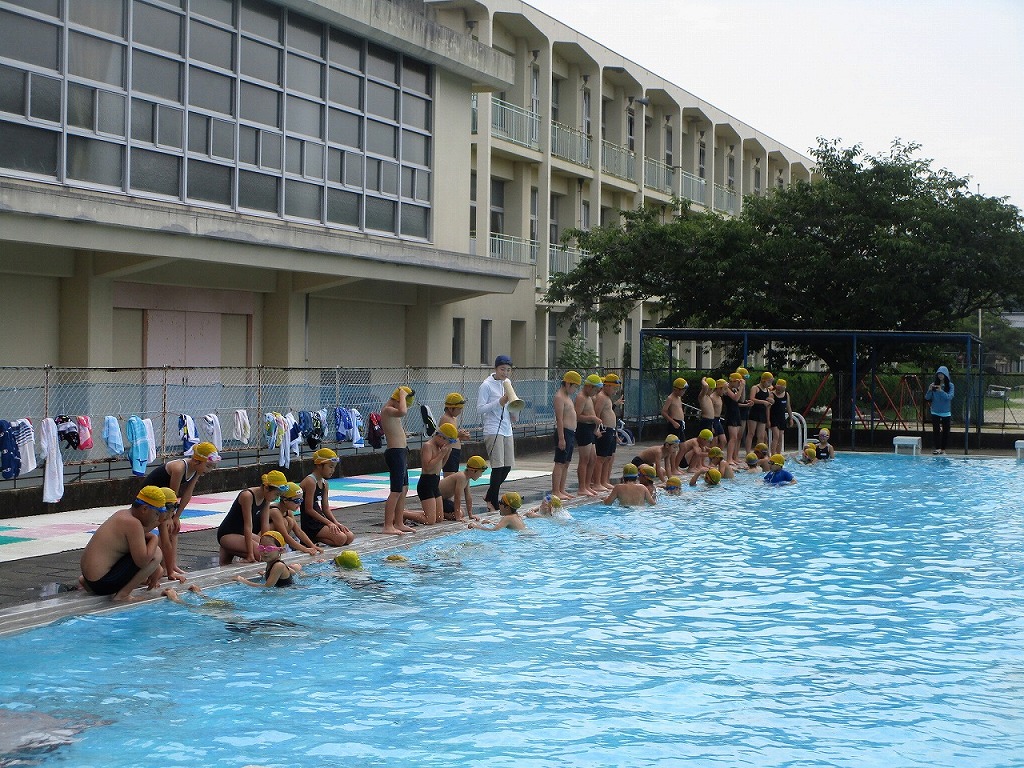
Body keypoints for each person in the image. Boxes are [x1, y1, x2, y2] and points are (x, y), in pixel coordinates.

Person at [143, 440, 220, 583]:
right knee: (167, 530)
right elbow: (174, 494)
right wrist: (171, 516)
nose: (209, 470)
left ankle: (170, 565)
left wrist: (177, 516)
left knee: (174, 529)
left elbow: (188, 494)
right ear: (197, 461)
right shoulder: (179, 468)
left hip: (165, 501)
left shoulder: (196, 470)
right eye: (208, 466)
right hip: (150, 500)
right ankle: (167, 568)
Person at [79, 486, 166, 603]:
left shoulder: (122, 514)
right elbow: (143, 561)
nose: (157, 519)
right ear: (145, 509)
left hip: (90, 579)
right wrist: (154, 538)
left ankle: (90, 585)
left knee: (146, 547)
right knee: (156, 553)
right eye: (156, 514)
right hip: (102, 583)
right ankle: (123, 595)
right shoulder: (133, 524)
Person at [217, 470, 289, 564]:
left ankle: (229, 549)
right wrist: (250, 555)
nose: (277, 498)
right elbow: (248, 525)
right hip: (227, 534)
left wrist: (269, 543)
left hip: (242, 534)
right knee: (260, 555)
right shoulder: (247, 496)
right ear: (266, 488)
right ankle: (228, 548)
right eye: (276, 494)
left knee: (269, 551)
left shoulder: (266, 498)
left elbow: (265, 526)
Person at [477, 355, 517, 511]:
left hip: (507, 428)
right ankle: (492, 502)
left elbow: (510, 406)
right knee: (498, 467)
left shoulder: (508, 383)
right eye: (502, 369)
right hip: (493, 428)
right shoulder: (486, 385)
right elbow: (480, 409)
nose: (505, 373)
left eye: (508, 370)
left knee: (507, 466)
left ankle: (489, 495)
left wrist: (514, 412)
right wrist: (499, 402)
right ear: (495, 368)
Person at [405, 423, 458, 526]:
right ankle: (403, 514)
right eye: (448, 441)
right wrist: (441, 454)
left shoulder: (439, 448)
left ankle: (409, 513)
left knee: (439, 518)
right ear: (440, 436)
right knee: (430, 521)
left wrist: (446, 453)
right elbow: (427, 467)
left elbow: (440, 465)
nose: (447, 444)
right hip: (426, 484)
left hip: (435, 484)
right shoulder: (428, 446)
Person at [299, 448, 355, 547]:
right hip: (310, 523)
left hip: (320, 520)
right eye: (330, 467)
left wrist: (336, 523)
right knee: (341, 538)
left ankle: (315, 538)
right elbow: (309, 509)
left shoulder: (325, 483)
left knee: (349, 537)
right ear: (319, 465)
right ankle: (310, 537)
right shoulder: (310, 481)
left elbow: (325, 508)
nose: (333, 470)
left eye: (334, 467)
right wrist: (329, 523)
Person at [382, 386, 415, 534]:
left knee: (404, 489)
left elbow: (402, 410)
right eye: (402, 402)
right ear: (397, 399)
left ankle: (399, 522)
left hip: (401, 452)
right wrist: (402, 394)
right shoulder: (388, 409)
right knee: (395, 490)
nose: (404, 407)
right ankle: (388, 525)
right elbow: (402, 411)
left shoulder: (392, 411)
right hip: (395, 453)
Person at [269, 482, 322, 556]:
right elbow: (285, 536)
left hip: (277, 538)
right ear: (285, 500)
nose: (299, 504)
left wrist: (312, 546)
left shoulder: (288, 511)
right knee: (286, 521)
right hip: (264, 540)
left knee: (290, 521)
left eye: (301, 500)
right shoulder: (275, 511)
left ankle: (283, 546)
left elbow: (298, 531)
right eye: (297, 501)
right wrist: (304, 549)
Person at [552, 371, 582, 500]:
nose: (575, 390)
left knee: (566, 462)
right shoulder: (559, 397)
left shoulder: (567, 396)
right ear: (568, 383)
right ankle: (555, 491)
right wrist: (561, 438)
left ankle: (561, 489)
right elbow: (559, 419)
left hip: (570, 432)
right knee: (559, 462)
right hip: (563, 432)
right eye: (575, 386)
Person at [235, 530, 300, 588]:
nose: (265, 552)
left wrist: (244, 581)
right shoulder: (272, 563)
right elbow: (292, 572)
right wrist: (266, 574)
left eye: (269, 548)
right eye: (261, 548)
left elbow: (267, 587)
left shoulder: (278, 565)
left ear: (281, 550)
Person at [574, 374, 604, 496]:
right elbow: (577, 416)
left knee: (593, 459)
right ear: (589, 387)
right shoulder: (581, 397)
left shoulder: (589, 397)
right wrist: (592, 418)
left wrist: (595, 427)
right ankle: (582, 487)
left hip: (590, 430)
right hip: (583, 430)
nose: (596, 393)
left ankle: (587, 485)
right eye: (595, 390)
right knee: (584, 460)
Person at [594, 373, 621, 491]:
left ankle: (604, 481)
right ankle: (597, 483)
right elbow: (597, 413)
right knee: (601, 458)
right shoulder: (601, 397)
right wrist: (596, 429)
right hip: (604, 430)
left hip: (610, 430)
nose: (615, 391)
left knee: (608, 457)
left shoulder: (607, 398)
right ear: (607, 386)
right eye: (614, 388)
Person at [441, 454, 488, 521]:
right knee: (459, 514)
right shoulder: (461, 477)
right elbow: (457, 498)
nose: (481, 475)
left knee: (462, 511)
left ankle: (443, 513)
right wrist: (458, 517)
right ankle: (440, 514)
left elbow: (468, 497)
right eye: (481, 472)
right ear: (472, 470)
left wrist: (470, 514)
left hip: (443, 500)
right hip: (435, 498)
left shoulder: (466, 478)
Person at [439, 393, 472, 475]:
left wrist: (461, 437)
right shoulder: (445, 418)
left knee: (454, 474)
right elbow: (444, 437)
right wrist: (458, 434)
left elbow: (453, 437)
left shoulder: (453, 418)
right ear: (450, 408)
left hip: (455, 451)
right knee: (450, 476)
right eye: (459, 409)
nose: (460, 411)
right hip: (450, 452)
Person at [924, 365, 955, 454]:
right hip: (935, 411)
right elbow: (927, 397)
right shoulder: (934, 384)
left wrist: (941, 391)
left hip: (946, 412)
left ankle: (943, 449)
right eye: (939, 374)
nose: (940, 376)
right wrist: (930, 390)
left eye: (942, 374)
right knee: (936, 430)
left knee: (946, 431)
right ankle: (937, 448)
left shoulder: (950, 385)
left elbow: (949, 397)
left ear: (946, 375)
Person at [746, 372, 775, 453]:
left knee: (761, 436)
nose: (769, 384)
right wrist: (763, 402)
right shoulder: (755, 388)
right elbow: (752, 398)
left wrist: (771, 401)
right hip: (754, 412)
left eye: (771, 382)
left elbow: (769, 405)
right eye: (768, 382)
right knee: (751, 433)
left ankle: (758, 453)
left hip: (762, 414)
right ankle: (748, 453)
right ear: (763, 380)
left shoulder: (768, 391)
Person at [723, 372, 746, 467]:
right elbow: (736, 398)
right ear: (734, 381)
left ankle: (732, 458)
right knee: (732, 438)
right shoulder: (726, 389)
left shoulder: (734, 389)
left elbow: (741, 399)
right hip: (731, 414)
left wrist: (742, 388)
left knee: (736, 437)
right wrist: (741, 387)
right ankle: (729, 459)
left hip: (736, 413)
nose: (739, 384)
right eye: (738, 382)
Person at [769, 378, 794, 455]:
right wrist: (768, 420)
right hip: (773, 417)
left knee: (780, 437)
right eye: (778, 389)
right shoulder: (772, 394)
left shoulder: (786, 395)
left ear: (784, 389)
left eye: (781, 390)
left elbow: (788, 407)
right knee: (776, 436)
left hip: (781, 418)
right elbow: (768, 408)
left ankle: (778, 454)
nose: (779, 391)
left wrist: (791, 418)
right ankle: (773, 454)